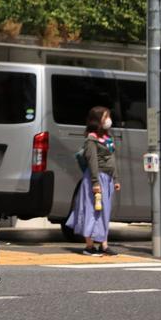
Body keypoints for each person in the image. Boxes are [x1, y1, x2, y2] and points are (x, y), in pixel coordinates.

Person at [66, 106, 122, 257]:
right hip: (95, 180)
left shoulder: (107, 138)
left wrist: (115, 179)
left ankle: (104, 244)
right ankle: (89, 245)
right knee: (91, 211)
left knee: (104, 213)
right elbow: (92, 163)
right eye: (105, 117)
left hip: (108, 179)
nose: (108, 120)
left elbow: (112, 160)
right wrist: (95, 183)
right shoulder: (91, 139)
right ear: (97, 120)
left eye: (108, 116)